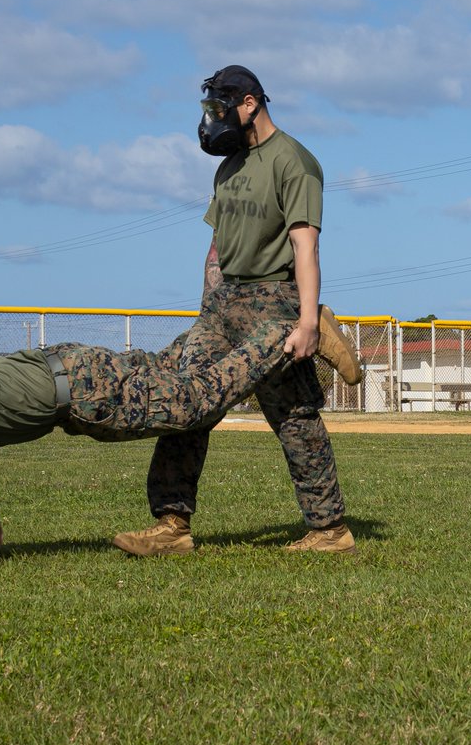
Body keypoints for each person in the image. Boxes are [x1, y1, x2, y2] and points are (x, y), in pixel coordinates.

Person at [0, 315, 358, 576]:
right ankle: (173, 529)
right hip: (73, 375)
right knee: (180, 387)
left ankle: (287, 332)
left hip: (82, 391)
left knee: (192, 403)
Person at [113, 65, 361, 557]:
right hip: (224, 305)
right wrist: (208, 310)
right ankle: (171, 526)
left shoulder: (294, 161)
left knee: (293, 414)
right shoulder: (228, 166)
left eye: (221, 106)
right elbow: (216, 246)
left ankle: (330, 531)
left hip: (274, 302)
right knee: (185, 402)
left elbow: (306, 246)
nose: (214, 118)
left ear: (250, 103)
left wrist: (307, 322)